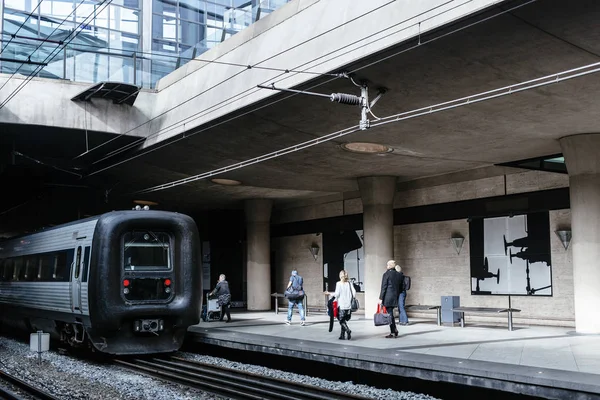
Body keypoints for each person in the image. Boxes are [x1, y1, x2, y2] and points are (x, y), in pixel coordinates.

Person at [324, 269, 356, 340]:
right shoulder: (350, 283)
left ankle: (348, 330)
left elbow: (337, 294)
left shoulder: (338, 283)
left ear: (340, 276)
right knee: (343, 319)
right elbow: (354, 293)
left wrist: (329, 293)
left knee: (341, 320)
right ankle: (342, 335)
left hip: (341, 305)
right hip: (349, 305)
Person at [379, 260, 402, 338]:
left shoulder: (386, 274)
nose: (386, 266)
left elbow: (384, 287)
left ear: (389, 266)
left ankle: (393, 331)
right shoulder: (398, 275)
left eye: (387, 265)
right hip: (395, 296)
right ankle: (394, 330)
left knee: (390, 314)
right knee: (390, 313)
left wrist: (380, 298)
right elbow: (401, 287)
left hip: (388, 296)